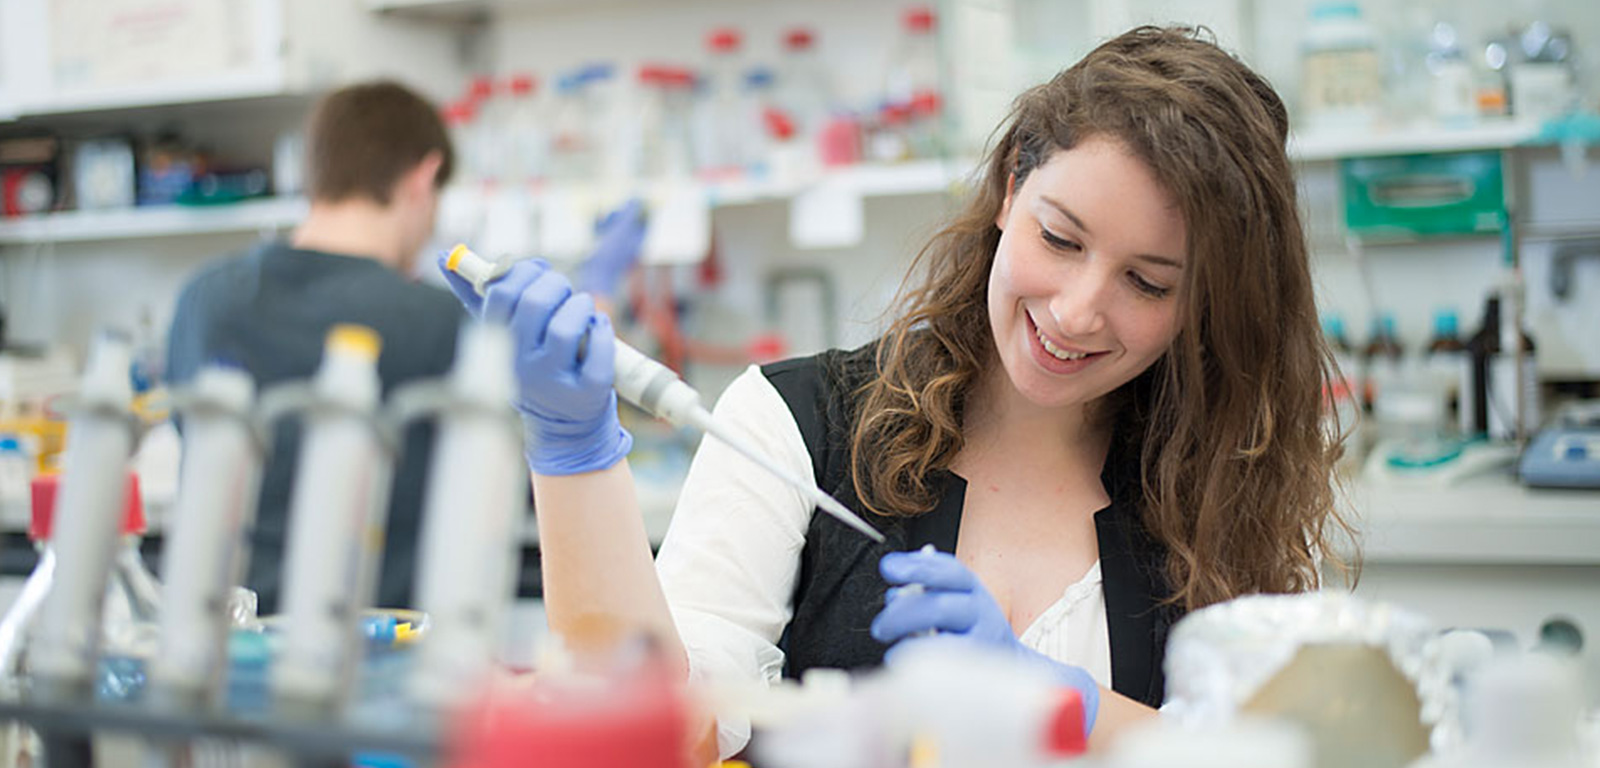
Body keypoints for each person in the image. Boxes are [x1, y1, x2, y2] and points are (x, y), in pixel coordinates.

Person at [442, 26, 1352, 758]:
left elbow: (1282, 753)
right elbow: (662, 733)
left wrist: (1064, 706)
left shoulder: (1228, 488)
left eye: (1148, 284)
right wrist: (574, 455)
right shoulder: (796, 427)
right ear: (1009, 188)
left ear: (1204, 304)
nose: (1077, 312)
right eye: (1061, 239)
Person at [165, 80, 466, 613]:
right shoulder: (438, 321)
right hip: (376, 661)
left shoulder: (204, 298)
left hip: (224, 649)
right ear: (422, 177)